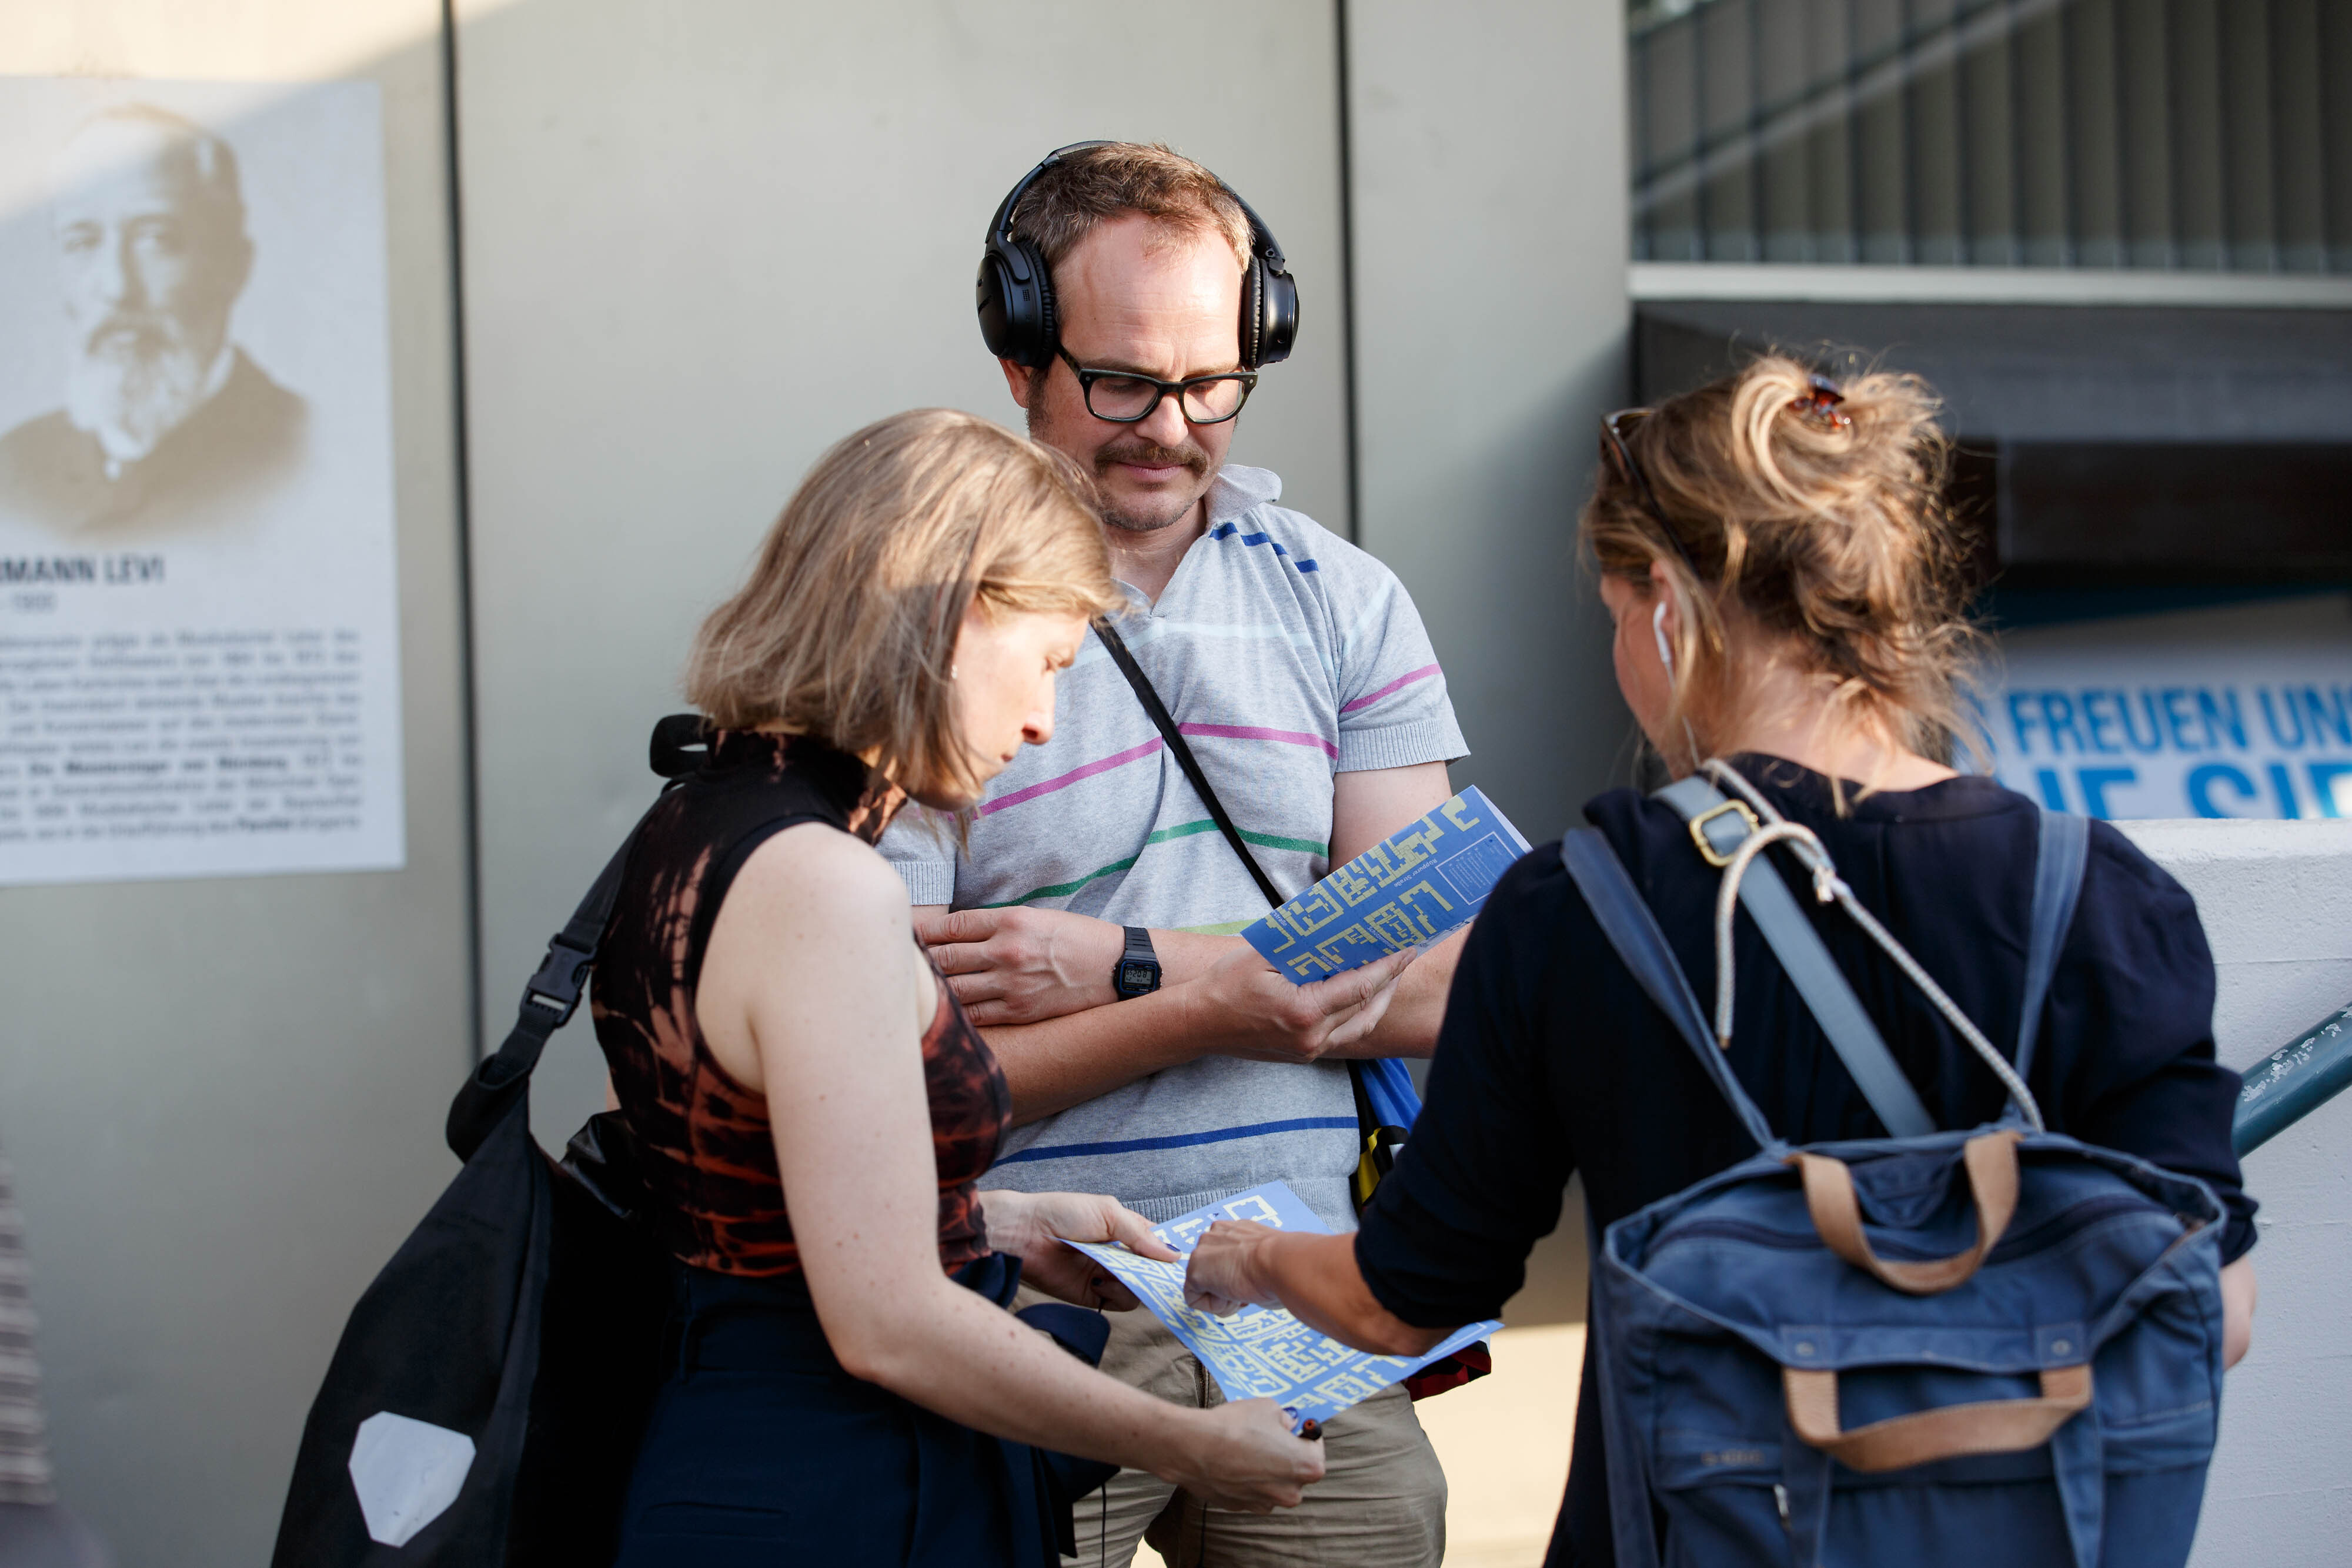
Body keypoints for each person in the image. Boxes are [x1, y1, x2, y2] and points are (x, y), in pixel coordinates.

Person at [1181, 357, 2260, 1566]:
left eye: (1612, 615)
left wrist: (1248, 1259)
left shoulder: (1579, 908)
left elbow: (1401, 1299)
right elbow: (2213, 1311)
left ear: (1664, 603)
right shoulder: (2098, 895)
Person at [590, 409, 1324, 1567]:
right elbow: (887, 1323)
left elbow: (749, 1203)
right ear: (955, 611)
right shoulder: (827, 883)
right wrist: (1193, 1442)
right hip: (841, 1496)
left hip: (734, 1467)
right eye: (1047, 662)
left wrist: (1004, 1222)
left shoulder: (696, 826)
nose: (1040, 723)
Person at [879, 142, 1459, 1566]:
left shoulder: (1344, 599)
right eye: (1122, 383)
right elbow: (896, 1073)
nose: (1171, 428)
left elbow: (1444, 980)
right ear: (1019, 356)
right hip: (1029, 1289)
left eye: (1210, 383)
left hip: (1302, 1290)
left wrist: (1128, 966)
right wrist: (1236, 1000)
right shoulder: (915, 621)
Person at [0, 104, 305, 535]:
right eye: (82, 242)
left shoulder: (306, 455)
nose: (117, 287)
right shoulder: (14, 471)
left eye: (156, 239)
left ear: (233, 267)